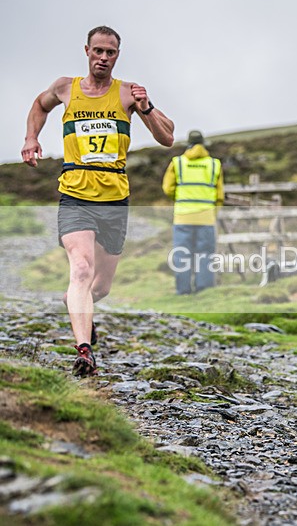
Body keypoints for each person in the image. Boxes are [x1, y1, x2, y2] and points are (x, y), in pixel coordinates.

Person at [21, 26, 174, 376]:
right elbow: (39, 104)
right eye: (98, 51)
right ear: (87, 51)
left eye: (111, 53)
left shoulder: (127, 94)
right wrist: (31, 137)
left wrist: (146, 106)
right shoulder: (65, 88)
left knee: (100, 287)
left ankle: (76, 304)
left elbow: (167, 137)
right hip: (74, 193)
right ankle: (84, 350)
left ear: (117, 55)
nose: (103, 58)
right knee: (81, 269)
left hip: (114, 198)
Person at [162, 130, 224, 295]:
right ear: (204, 144)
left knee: (182, 254)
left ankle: (183, 290)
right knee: (205, 254)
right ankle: (204, 290)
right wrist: (213, 212)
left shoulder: (177, 163)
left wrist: (180, 197)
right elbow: (219, 195)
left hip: (182, 216)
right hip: (206, 217)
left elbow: (167, 188)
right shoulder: (214, 164)